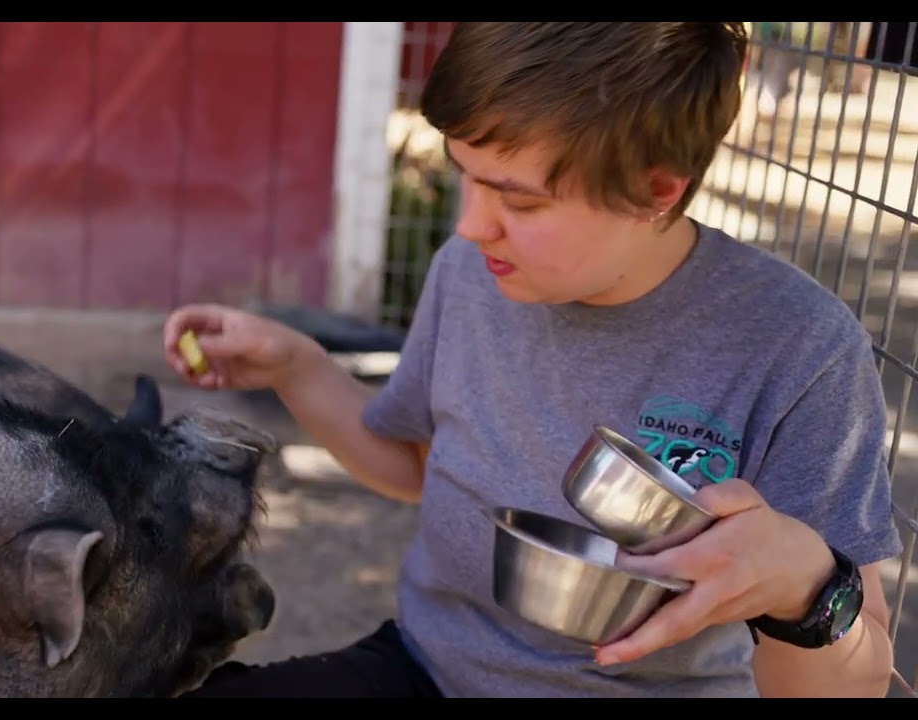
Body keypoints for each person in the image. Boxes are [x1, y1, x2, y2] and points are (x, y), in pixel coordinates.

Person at [164, 22, 903, 698]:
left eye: (517, 201)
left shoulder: (800, 348)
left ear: (655, 191)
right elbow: (419, 466)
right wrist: (295, 365)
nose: (471, 225)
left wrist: (807, 590)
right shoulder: (472, 269)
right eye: (465, 173)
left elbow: (855, 683)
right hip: (431, 671)